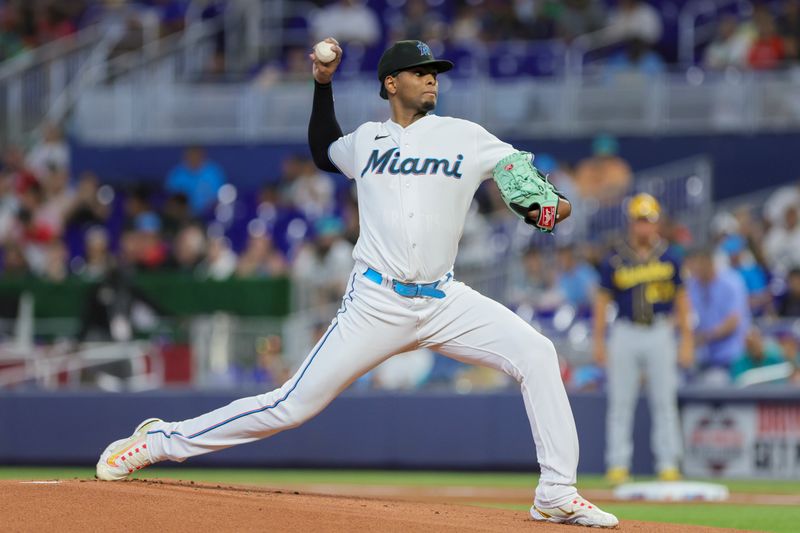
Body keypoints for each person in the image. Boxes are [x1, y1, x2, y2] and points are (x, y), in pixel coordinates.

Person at [95, 39, 618, 529]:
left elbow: (520, 177)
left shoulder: (467, 136)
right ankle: (162, 440)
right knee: (291, 405)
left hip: (445, 300)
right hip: (376, 301)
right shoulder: (368, 140)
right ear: (391, 83)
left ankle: (555, 491)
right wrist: (322, 83)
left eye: (435, 73)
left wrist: (544, 203)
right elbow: (324, 150)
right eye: (421, 72)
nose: (432, 80)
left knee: (537, 353)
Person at [593, 193, 693, 485]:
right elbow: (602, 302)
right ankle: (617, 465)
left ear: (657, 222)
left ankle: (668, 464)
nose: (644, 227)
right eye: (639, 221)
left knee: (664, 401)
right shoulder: (614, 258)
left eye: (649, 221)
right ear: (630, 223)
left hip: (660, 330)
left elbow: (682, 300)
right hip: (624, 331)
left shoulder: (671, 255)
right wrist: (598, 341)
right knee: (620, 402)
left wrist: (687, 339)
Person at [685, 246, 751, 384]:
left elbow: (733, 321)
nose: (693, 270)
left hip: (732, 356)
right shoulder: (692, 285)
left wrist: (706, 336)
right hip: (703, 358)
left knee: (715, 382)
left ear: (708, 263)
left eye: (696, 265)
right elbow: (685, 315)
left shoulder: (731, 281)